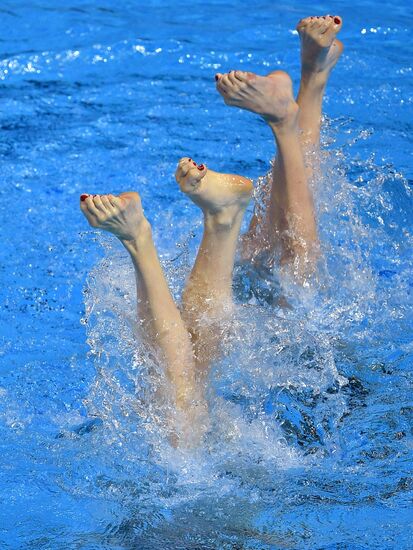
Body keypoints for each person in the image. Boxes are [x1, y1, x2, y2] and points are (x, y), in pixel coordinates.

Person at [79, 15, 343, 448]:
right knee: (292, 278)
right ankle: (294, 104)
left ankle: (306, 87)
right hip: (307, 379)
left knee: (272, 271)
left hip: (289, 388)